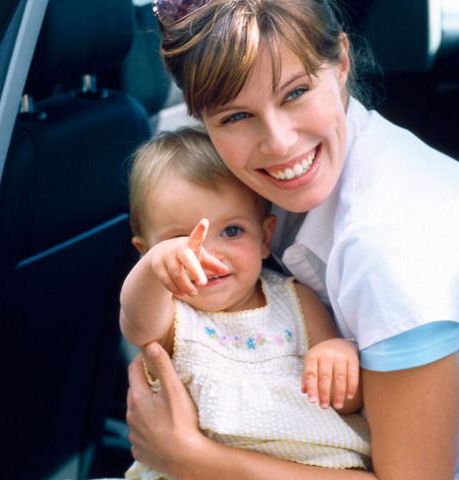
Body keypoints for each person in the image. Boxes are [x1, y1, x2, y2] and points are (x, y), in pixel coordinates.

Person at [126, 0, 459, 479]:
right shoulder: (261, 183)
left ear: (341, 62)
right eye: (235, 117)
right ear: (198, 119)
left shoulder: (387, 251)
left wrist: (190, 459)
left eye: (295, 92)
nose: (279, 142)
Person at [121, 126, 373, 479]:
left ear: (265, 236)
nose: (207, 255)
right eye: (180, 241)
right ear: (146, 253)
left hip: (310, 465)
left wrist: (339, 355)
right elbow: (134, 316)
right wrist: (153, 272)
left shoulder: (296, 299)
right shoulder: (172, 317)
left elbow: (346, 401)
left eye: (232, 231)